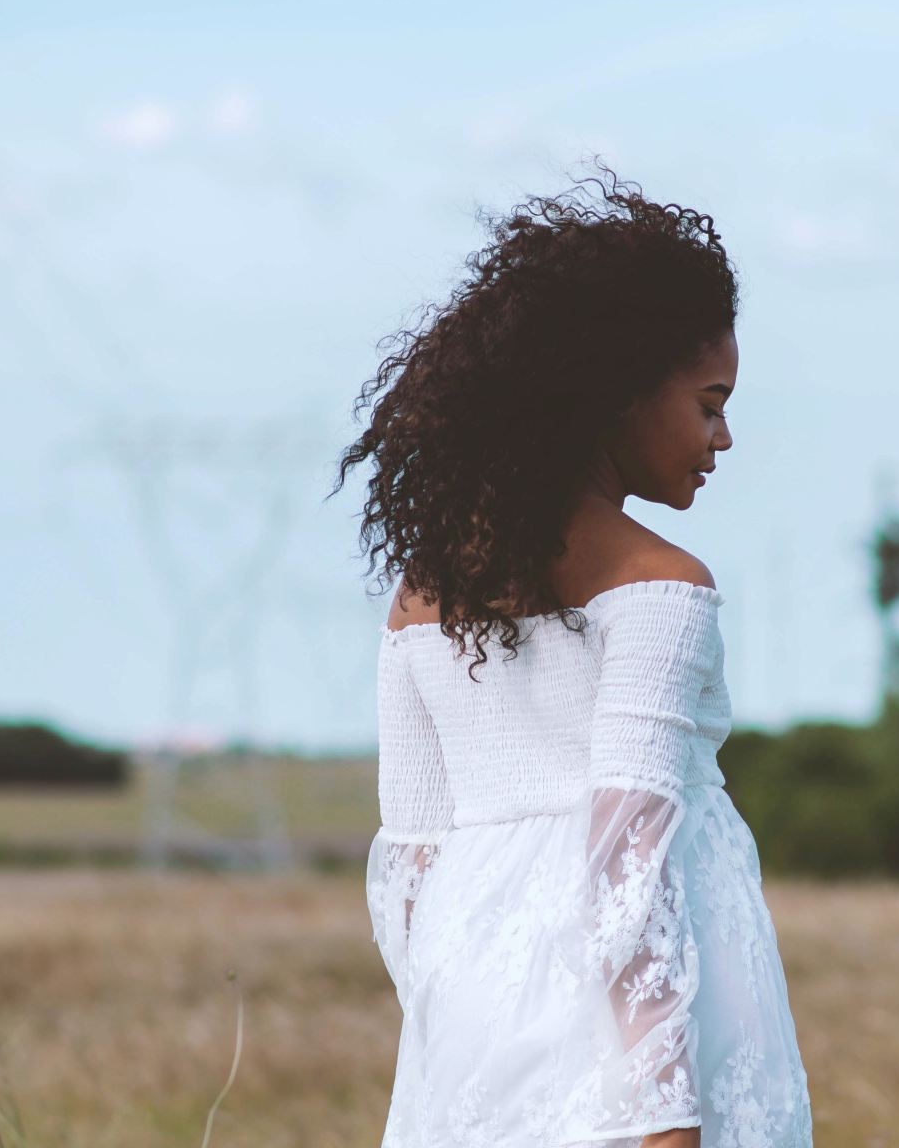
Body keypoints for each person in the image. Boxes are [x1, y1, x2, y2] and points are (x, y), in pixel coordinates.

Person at [332, 161, 815, 1147]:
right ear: (620, 393)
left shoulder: (419, 596)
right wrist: (665, 1112)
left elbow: (411, 868)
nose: (723, 436)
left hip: (475, 1031)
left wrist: (451, 1036)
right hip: (639, 1048)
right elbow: (625, 865)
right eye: (709, 400)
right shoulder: (659, 585)